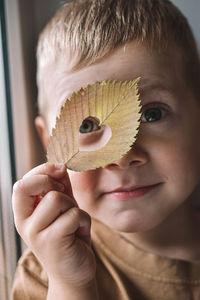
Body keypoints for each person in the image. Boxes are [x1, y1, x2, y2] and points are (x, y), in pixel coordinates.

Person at [11, 0, 200, 299]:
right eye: (86, 125)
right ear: (49, 142)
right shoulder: (47, 274)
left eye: (152, 114)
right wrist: (71, 285)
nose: (122, 157)